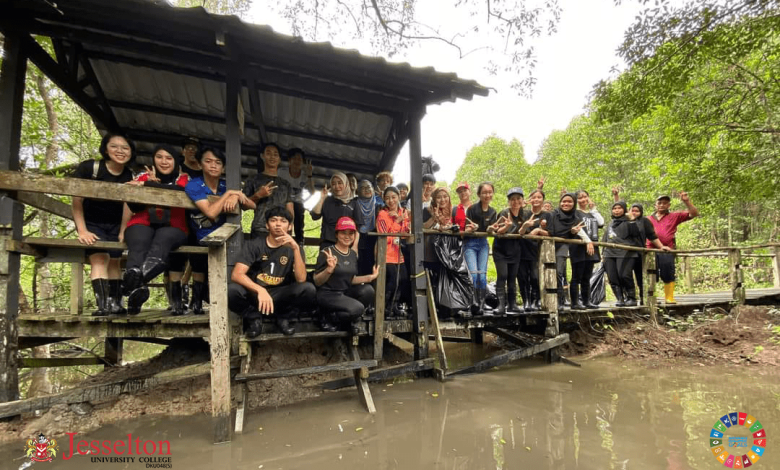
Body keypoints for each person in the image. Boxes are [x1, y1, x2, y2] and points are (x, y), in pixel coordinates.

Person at [185, 147, 255, 314]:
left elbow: (252, 205)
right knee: (199, 267)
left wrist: (237, 196)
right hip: (201, 234)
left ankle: (221, 304)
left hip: (226, 237)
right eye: (208, 161)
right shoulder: (194, 184)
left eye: (218, 163)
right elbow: (210, 213)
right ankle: (196, 304)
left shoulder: (225, 184)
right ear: (200, 164)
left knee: (227, 270)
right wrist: (230, 194)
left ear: (223, 168)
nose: (213, 166)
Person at [122, 145, 190, 315]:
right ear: (153, 160)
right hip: (142, 220)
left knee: (163, 240)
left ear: (175, 161)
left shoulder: (183, 179)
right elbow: (134, 205)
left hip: (174, 225)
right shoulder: (142, 176)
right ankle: (136, 292)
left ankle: (131, 286)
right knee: (138, 243)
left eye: (169, 158)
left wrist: (149, 185)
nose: (164, 162)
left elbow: (182, 192)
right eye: (159, 157)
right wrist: (145, 185)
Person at [228, 206, 316, 337]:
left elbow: (301, 279)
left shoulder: (294, 248)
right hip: (256, 294)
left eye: (283, 221)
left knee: (308, 289)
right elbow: (236, 274)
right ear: (267, 225)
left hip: (280, 295)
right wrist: (260, 290)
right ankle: (254, 318)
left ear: (290, 226)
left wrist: (296, 249)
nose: (278, 224)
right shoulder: (254, 245)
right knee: (232, 291)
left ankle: (284, 318)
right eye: (274, 220)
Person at [73, 133, 134, 316]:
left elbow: (128, 205)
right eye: (114, 146)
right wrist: (82, 230)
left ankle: (115, 303)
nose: (120, 151)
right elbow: (76, 200)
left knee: (115, 261)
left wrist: (124, 230)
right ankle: (103, 306)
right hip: (92, 221)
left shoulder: (128, 174)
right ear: (106, 148)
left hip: (116, 223)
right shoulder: (89, 168)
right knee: (99, 259)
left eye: (125, 148)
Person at [314, 217, 379, 335]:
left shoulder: (353, 255)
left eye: (351, 233)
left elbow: (350, 280)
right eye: (343, 233)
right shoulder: (327, 252)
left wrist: (370, 277)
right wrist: (329, 270)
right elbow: (317, 281)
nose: (347, 236)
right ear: (337, 234)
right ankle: (327, 316)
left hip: (344, 292)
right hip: (327, 294)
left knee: (368, 290)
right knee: (358, 308)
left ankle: (345, 320)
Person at [648, 193, 698, 303]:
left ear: (669, 205)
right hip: (650, 250)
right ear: (655, 205)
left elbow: (694, 214)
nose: (662, 205)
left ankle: (669, 297)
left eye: (665, 203)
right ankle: (651, 298)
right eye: (659, 203)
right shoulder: (648, 218)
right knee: (650, 273)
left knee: (668, 272)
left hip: (667, 249)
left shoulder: (674, 216)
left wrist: (686, 201)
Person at [548, 193, 595, 310]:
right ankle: (546, 301)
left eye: (569, 202)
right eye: (564, 201)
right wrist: (570, 232)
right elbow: (552, 231)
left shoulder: (575, 218)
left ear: (574, 204)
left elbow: (575, 234)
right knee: (545, 273)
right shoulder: (553, 214)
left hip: (562, 246)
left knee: (558, 273)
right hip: (548, 245)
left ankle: (559, 302)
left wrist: (574, 233)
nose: (566, 204)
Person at [243, 143, 294, 239]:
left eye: (275, 154)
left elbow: (290, 209)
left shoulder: (285, 184)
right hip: (259, 229)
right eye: (269, 153)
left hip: (281, 231)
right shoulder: (253, 179)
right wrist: (258, 195)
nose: (272, 157)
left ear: (279, 159)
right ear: (262, 156)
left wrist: (290, 229)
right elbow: (243, 206)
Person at [490, 187, 526, 315]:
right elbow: (497, 231)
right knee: (503, 275)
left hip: (515, 251)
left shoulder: (524, 214)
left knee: (512, 278)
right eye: (512, 199)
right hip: (501, 250)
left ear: (522, 200)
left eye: (518, 199)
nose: (515, 202)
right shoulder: (504, 213)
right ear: (509, 201)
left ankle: (512, 304)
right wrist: (507, 226)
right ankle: (501, 305)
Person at [376, 186, 411, 318]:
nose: (391, 201)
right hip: (386, 253)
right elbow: (385, 236)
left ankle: (394, 306)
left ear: (399, 197)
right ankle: (384, 307)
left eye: (393, 197)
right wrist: (397, 221)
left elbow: (405, 233)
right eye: (387, 198)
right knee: (392, 280)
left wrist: (402, 220)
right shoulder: (382, 214)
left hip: (398, 252)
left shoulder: (403, 212)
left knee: (403, 278)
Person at [465, 182, 498, 314]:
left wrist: (491, 229)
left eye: (490, 192)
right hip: (470, 244)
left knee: (482, 275)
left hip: (483, 244)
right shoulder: (472, 209)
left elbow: (493, 228)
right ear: (479, 194)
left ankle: (482, 304)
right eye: (484, 192)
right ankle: (473, 302)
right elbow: (468, 227)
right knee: (474, 275)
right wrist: (472, 228)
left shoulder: (493, 211)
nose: (487, 195)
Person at [629, 203, 672, 303]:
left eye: (637, 211)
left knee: (642, 276)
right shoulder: (624, 220)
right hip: (625, 254)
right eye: (632, 210)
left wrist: (661, 247)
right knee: (626, 276)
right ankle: (629, 298)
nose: (634, 213)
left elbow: (652, 236)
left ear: (641, 212)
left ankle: (645, 298)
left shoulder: (644, 221)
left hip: (640, 253)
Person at [517, 189, 552, 311]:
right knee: (522, 276)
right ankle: (526, 301)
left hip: (537, 250)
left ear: (543, 200)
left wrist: (539, 231)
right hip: (521, 248)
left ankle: (535, 300)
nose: (536, 199)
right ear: (530, 199)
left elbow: (551, 232)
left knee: (535, 276)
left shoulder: (547, 215)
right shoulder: (524, 213)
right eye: (534, 197)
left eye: (539, 197)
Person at [602, 201, 641, 307]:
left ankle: (631, 298)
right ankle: (620, 298)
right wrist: (603, 254)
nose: (617, 210)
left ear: (624, 209)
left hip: (626, 253)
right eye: (614, 208)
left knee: (624, 275)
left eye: (619, 208)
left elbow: (636, 234)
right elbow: (605, 239)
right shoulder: (610, 223)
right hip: (609, 253)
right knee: (612, 277)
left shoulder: (629, 222)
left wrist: (632, 220)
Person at [311, 172, 363, 251]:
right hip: (327, 242)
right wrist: (322, 198)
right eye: (334, 184)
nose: (337, 186)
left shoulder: (354, 203)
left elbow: (358, 227)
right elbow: (315, 216)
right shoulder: (328, 200)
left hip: (346, 243)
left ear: (346, 184)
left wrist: (355, 246)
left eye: (340, 183)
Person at [571, 190, 604, 309]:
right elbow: (576, 228)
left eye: (585, 197)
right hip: (579, 246)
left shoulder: (591, 214)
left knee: (587, 276)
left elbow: (601, 222)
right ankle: (575, 302)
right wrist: (587, 241)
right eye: (579, 198)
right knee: (577, 276)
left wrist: (593, 208)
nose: (583, 199)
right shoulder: (574, 212)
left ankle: (587, 301)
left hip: (592, 246)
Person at [278, 147, 314, 244]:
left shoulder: (304, 175)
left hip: (298, 204)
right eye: (295, 158)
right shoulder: (281, 172)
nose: (297, 161)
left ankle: (299, 242)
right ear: (289, 160)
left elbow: (312, 192)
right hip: (283, 202)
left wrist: (310, 175)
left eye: (300, 159)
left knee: (299, 212)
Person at [356, 179, 380, 275]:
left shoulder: (379, 204)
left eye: (369, 187)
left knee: (371, 263)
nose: (366, 189)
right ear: (357, 192)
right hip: (357, 236)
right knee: (358, 263)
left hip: (374, 237)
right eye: (362, 187)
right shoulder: (354, 203)